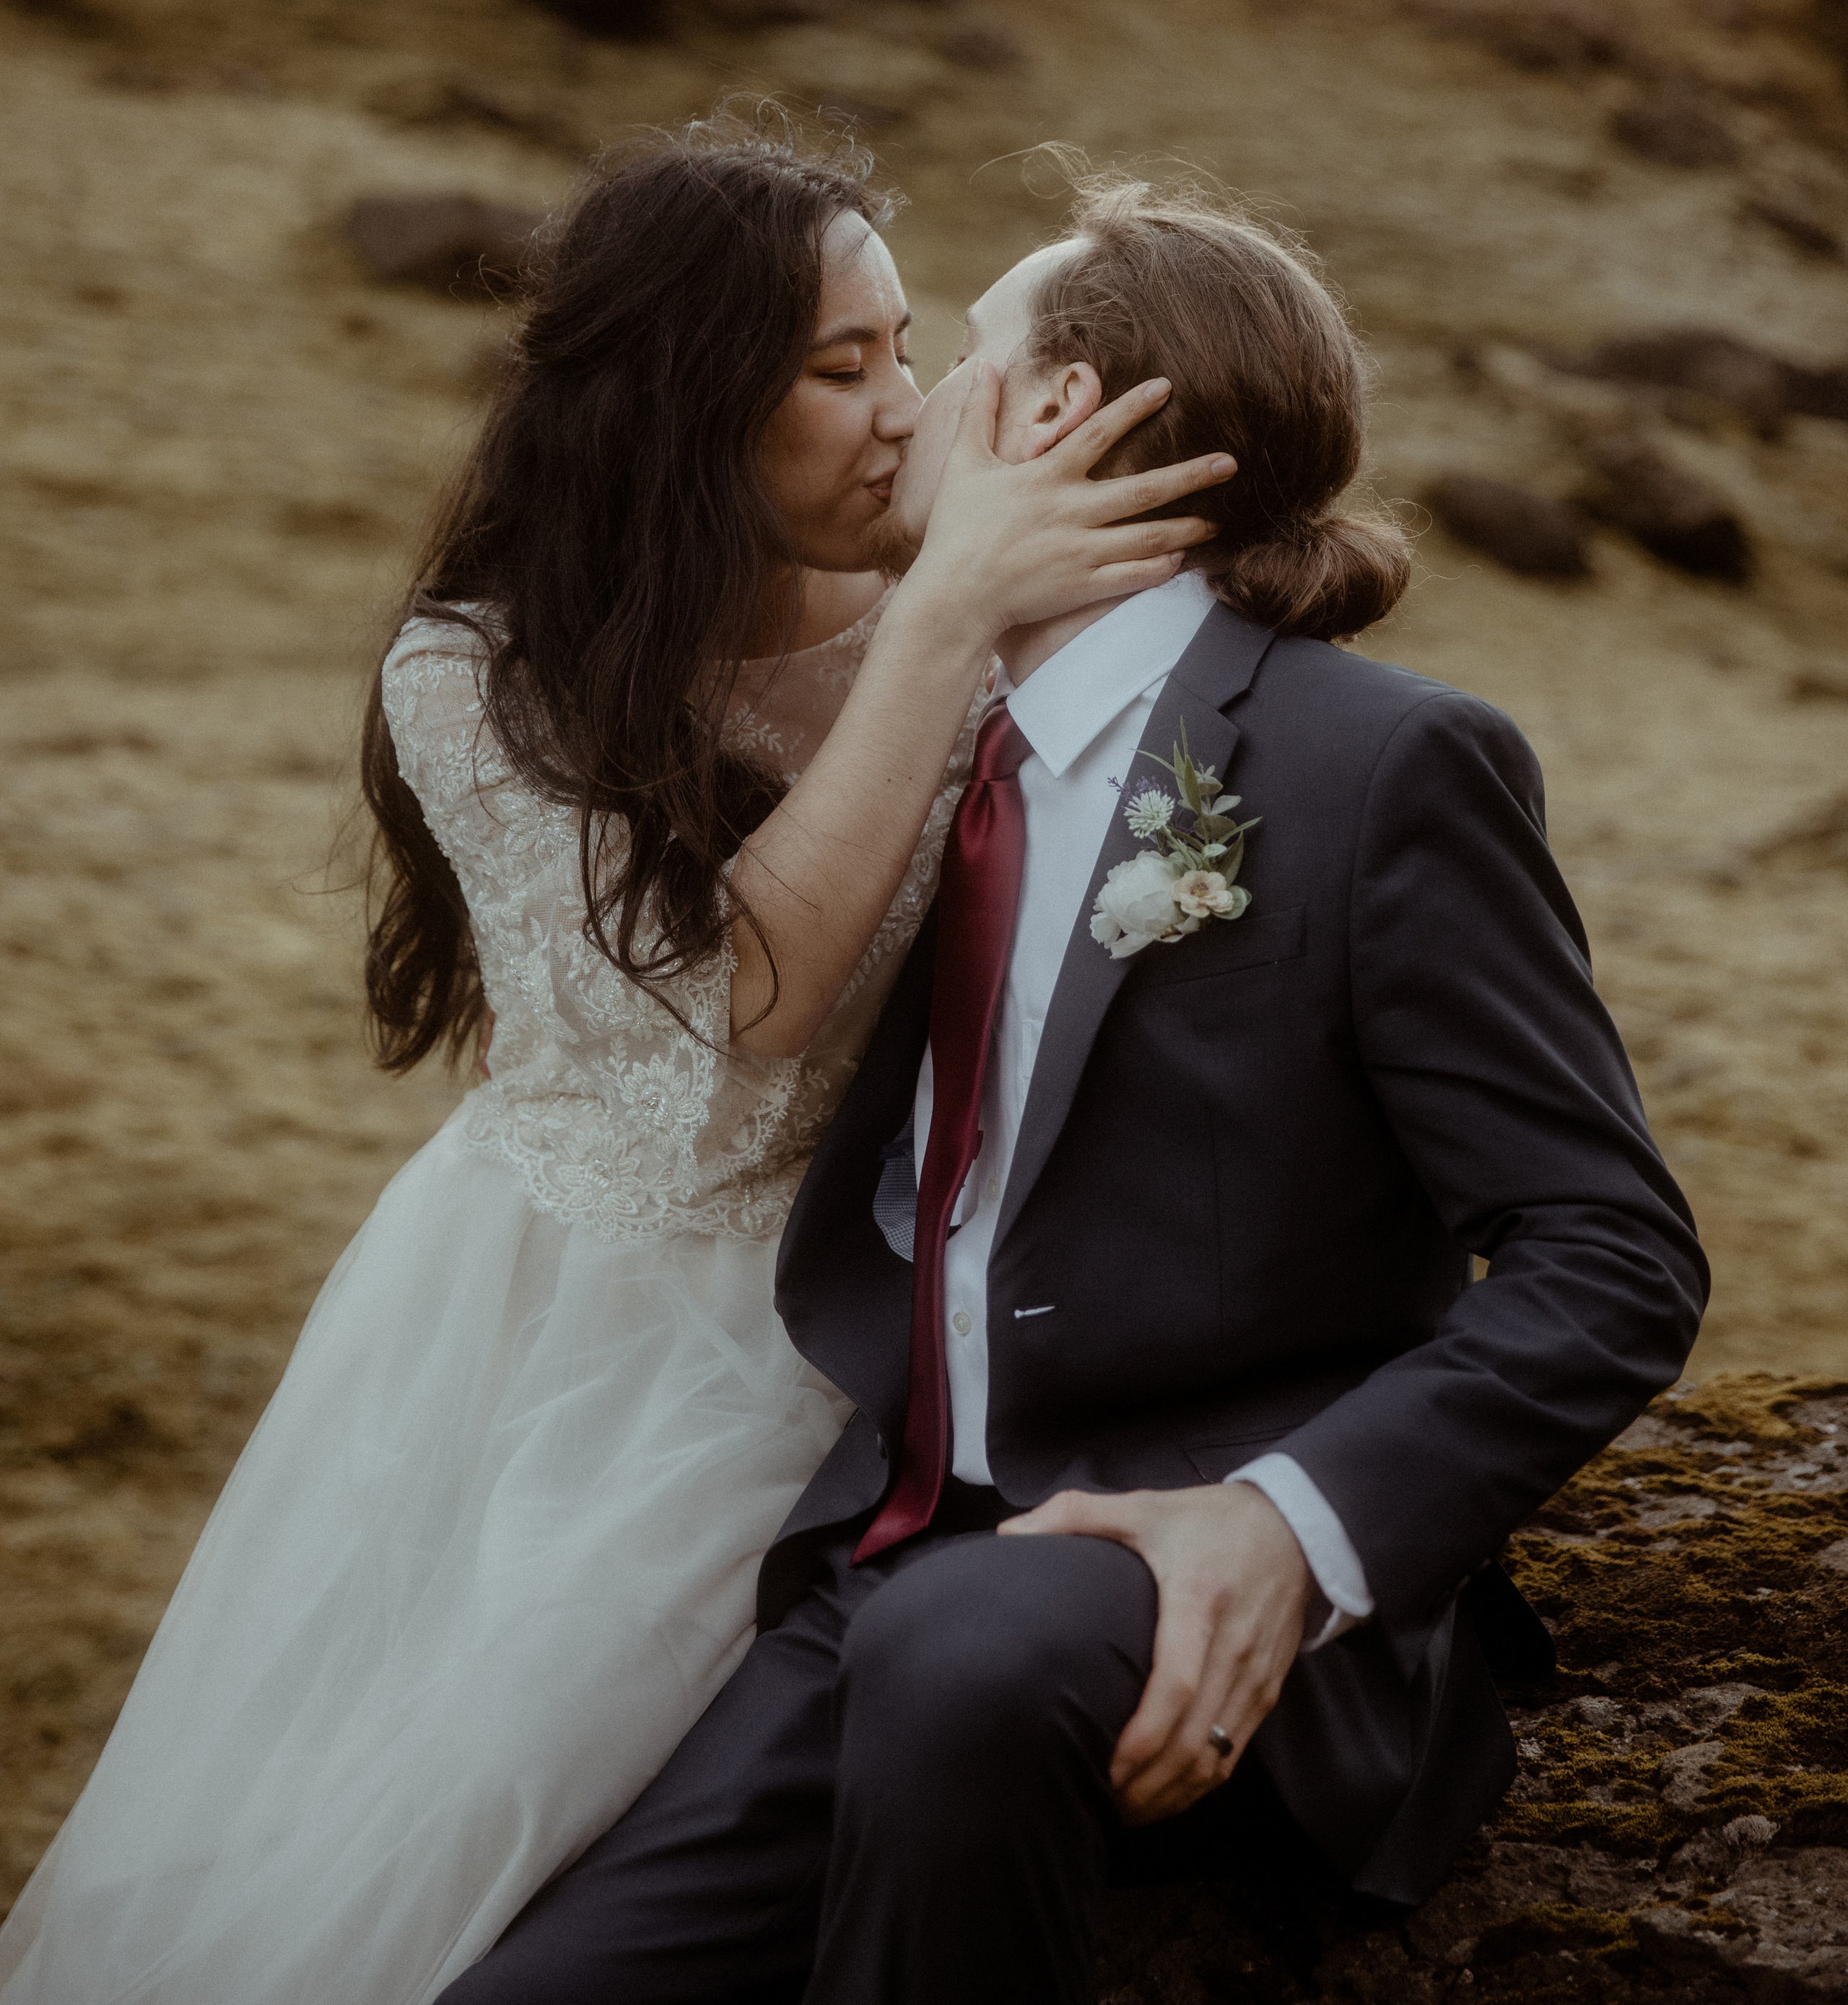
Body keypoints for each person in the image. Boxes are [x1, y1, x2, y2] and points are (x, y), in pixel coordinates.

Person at [0, 126, 1233, 2005]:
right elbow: (743, 1011)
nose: (903, 415)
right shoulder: (477, 676)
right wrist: (944, 626)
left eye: (906, 350)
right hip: (553, 1318)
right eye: (840, 370)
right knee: (429, 1819)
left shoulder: (949, 595)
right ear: (683, 400)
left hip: (862, 1297)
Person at [442, 177, 1709, 2005]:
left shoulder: (1379, 762)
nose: (915, 410)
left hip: (1171, 1562)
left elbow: (1613, 1257)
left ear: (1055, 417)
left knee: (968, 1651)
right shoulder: (934, 753)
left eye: (957, 359)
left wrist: (1285, 1522)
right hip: (879, 1558)